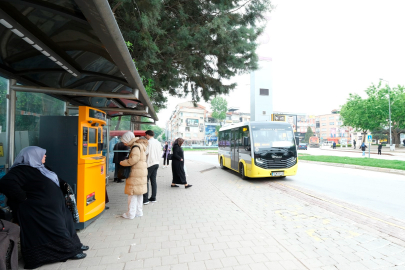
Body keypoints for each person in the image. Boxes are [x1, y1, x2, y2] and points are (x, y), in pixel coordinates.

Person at [0, 146, 87, 269]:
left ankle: (75, 245)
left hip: (54, 206)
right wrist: (23, 197)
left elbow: (53, 179)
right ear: (32, 156)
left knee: (67, 222)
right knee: (56, 228)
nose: (45, 156)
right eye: (42, 154)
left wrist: (64, 185)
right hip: (38, 209)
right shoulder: (21, 170)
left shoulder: (41, 168)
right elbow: (5, 183)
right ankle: (67, 252)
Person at [120, 132, 148, 219]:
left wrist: (123, 162)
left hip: (136, 173)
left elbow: (134, 159)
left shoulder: (135, 147)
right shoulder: (139, 145)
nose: (124, 143)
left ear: (128, 139)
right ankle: (139, 212)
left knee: (132, 194)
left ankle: (130, 214)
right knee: (139, 194)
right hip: (140, 172)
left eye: (124, 141)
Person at [143, 130, 161, 204]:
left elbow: (146, 152)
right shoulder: (158, 142)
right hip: (156, 163)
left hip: (150, 163)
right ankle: (153, 198)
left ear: (147, 135)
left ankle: (145, 199)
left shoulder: (149, 143)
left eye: (145, 135)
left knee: (145, 181)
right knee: (153, 181)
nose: (145, 137)